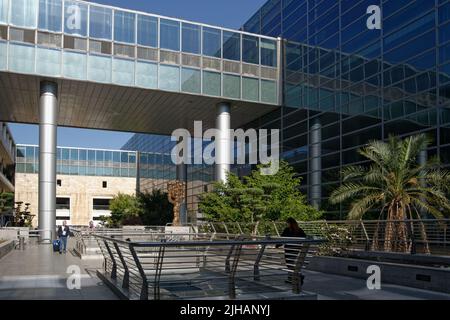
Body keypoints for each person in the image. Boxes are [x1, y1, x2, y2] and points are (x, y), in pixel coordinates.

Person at [278, 218, 307, 285]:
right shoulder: (299, 230)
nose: (287, 224)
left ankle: (298, 276)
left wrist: (277, 245)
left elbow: (282, 239)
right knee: (291, 263)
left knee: (289, 264)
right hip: (296, 249)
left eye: (287, 223)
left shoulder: (287, 230)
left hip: (289, 249)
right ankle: (291, 278)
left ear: (290, 223)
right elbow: (304, 237)